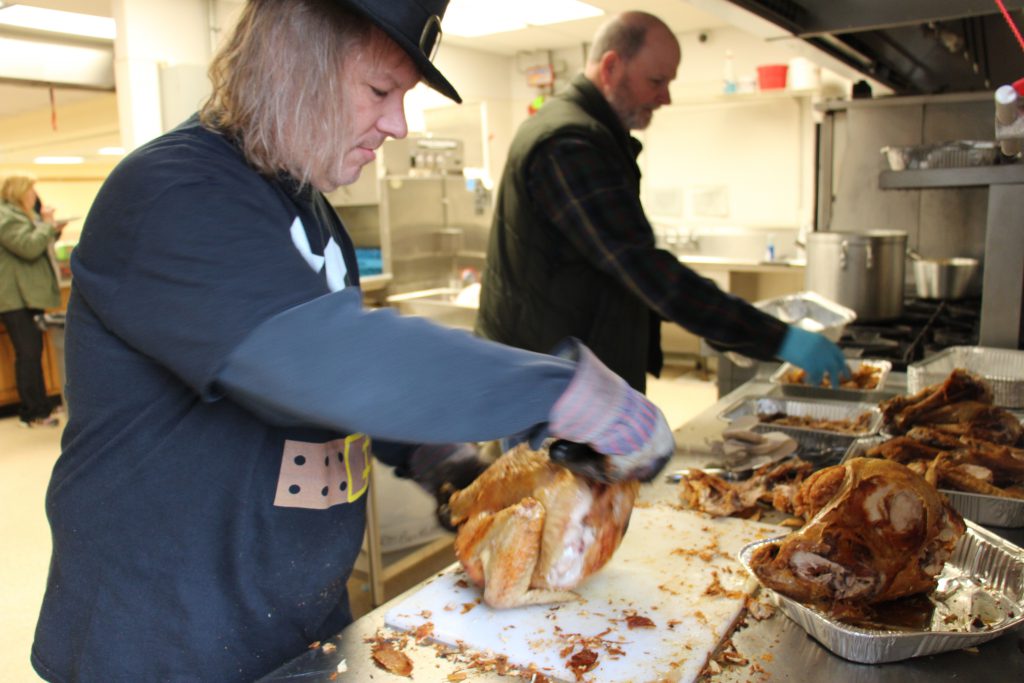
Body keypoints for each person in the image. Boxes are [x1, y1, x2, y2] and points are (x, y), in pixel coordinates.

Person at [30, 2, 675, 681]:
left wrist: (442, 461)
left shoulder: (309, 211)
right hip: (165, 643)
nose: (397, 124)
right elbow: (322, 358)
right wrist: (560, 390)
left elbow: (347, 397)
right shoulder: (172, 193)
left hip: (291, 627)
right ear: (290, 65)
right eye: (380, 90)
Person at [475, 11, 848, 393]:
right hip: (546, 382)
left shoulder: (595, 136)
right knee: (535, 458)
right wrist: (777, 339)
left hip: (572, 373)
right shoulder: (568, 144)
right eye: (656, 81)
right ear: (611, 66)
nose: (665, 97)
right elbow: (643, 269)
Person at [0, 174, 62, 428]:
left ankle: (40, 405)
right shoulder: (6, 218)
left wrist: (50, 229)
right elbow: (28, 247)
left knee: (33, 352)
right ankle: (33, 410)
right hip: (15, 298)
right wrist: (47, 225)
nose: (34, 197)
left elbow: (39, 241)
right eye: (30, 193)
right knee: (28, 354)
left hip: (27, 295)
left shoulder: (23, 217)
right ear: (18, 193)